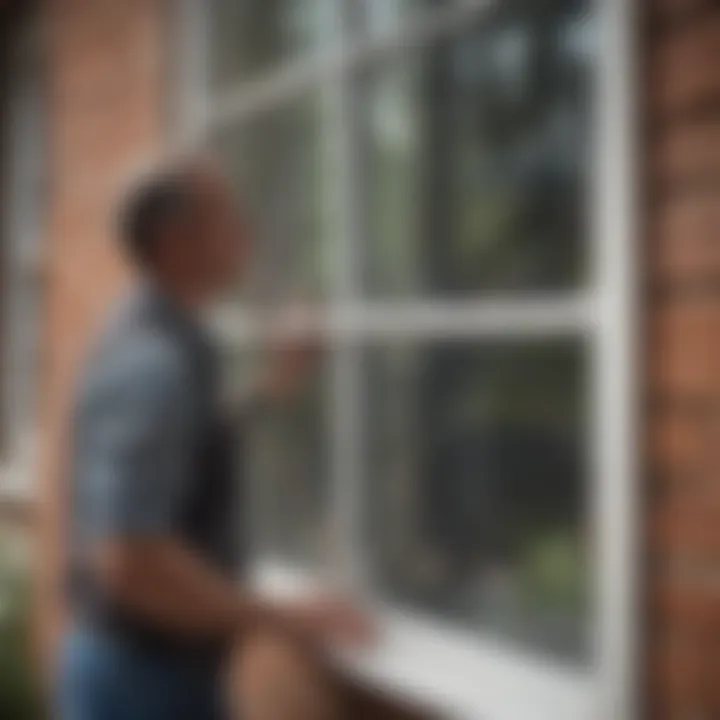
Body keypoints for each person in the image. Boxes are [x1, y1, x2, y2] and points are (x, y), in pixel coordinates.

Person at [57, 157, 369, 720]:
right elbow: (130, 562)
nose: (247, 233)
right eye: (229, 219)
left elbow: (189, 445)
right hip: (143, 685)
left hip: (152, 672)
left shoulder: (165, 339)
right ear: (176, 242)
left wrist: (276, 385)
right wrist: (289, 619)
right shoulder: (153, 361)